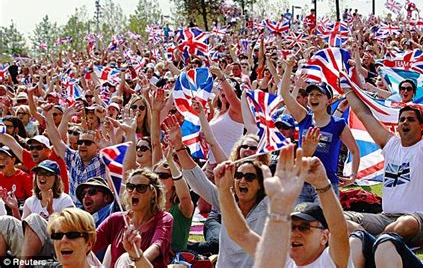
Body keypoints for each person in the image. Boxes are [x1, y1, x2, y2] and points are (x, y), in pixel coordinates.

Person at [343, 60, 423, 247]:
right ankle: (373, 243)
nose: (405, 122)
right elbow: (364, 114)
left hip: (421, 221)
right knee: (341, 218)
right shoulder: (391, 145)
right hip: (386, 218)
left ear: (421, 126)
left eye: (410, 119)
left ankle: (370, 247)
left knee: (404, 224)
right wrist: (346, 89)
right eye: (402, 119)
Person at [214, 144, 352, 268]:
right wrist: (224, 190)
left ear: (324, 237)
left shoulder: (330, 261)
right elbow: (241, 234)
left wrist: (322, 184)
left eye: (304, 228)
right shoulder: (283, 260)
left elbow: (338, 230)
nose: (295, 233)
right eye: (291, 227)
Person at [164, 115, 268, 267]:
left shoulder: (270, 206)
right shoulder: (226, 201)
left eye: (250, 177)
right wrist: (179, 147)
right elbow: (199, 181)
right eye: (238, 175)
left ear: (260, 183)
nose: (242, 180)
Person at [281, 57, 360, 203]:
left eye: (318, 95)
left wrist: (353, 175)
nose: (313, 98)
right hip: (301, 182)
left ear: (328, 101)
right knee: (299, 223)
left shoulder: (338, 124)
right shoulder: (303, 117)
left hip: (327, 183)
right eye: (311, 94)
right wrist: (288, 68)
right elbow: (285, 94)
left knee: (324, 223)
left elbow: (354, 150)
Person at [93, 168, 173, 268]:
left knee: (126, 258)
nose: (134, 192)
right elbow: (90, 243)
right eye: (130, 187)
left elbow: (156, 247)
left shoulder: (163, 218)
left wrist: (135, 261)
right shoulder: (116, 219)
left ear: (153, 193)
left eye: (141, 188)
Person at [45, 104, 106, 204]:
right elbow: (56, 140)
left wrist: (102, 120)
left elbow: (120, 159)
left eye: (87, 143)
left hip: (98, 210)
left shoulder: (103, 160)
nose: (82, 145)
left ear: (97, 147)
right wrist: (51, 116)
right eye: (80, 142)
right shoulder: (73, 157)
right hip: (75, 210)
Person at [0, 133, 69, 193]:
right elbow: (10, 142)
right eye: (31, 148)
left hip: (60, 204)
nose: (34, 150)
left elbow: (59, 137)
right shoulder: (30, 160)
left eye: (39, 147)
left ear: (48, 150)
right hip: (39, 204)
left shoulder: (55, 158)